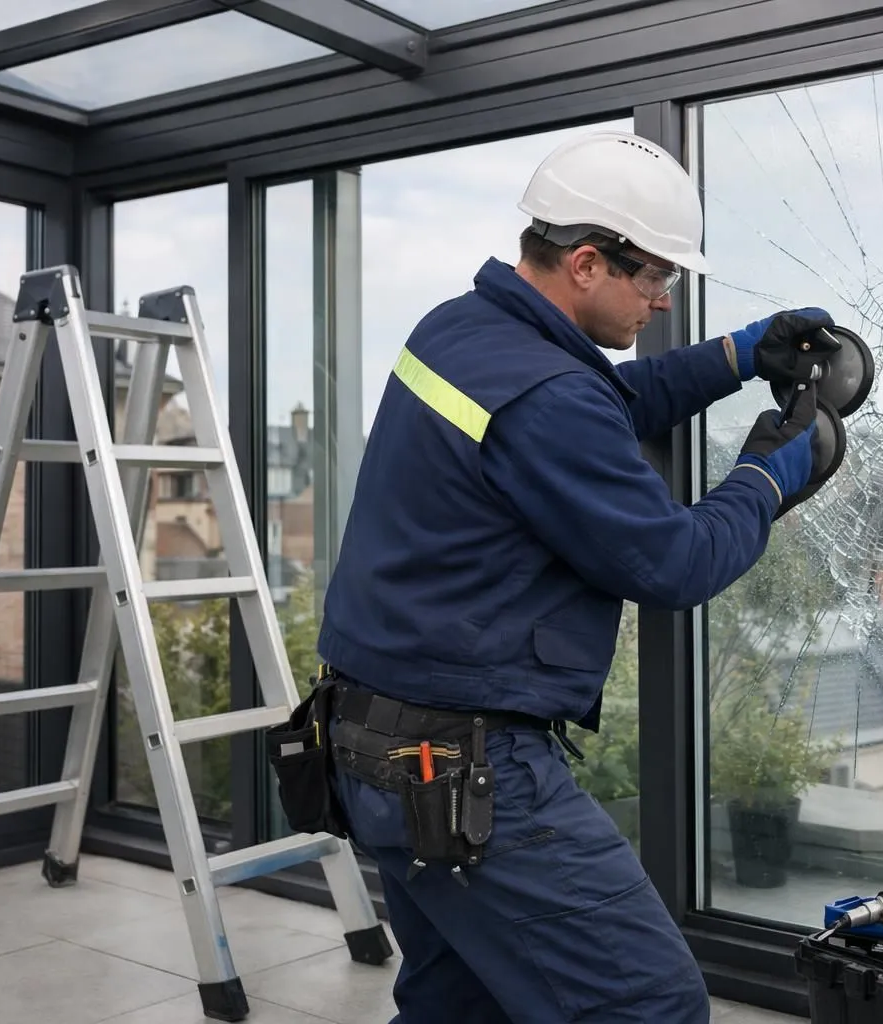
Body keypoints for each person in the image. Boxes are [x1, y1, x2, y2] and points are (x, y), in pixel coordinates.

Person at [311, 129, 840, 1023]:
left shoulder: (458, 329)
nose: (664, 302)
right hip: (461, 763)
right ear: (588, 263)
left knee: (461, 1005)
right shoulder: (549, 396)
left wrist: (742, 355)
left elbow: (601, 402)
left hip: (368, 748)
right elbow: (673, 561)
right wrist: (769, 473)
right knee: (652, 1004)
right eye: (655, 279)